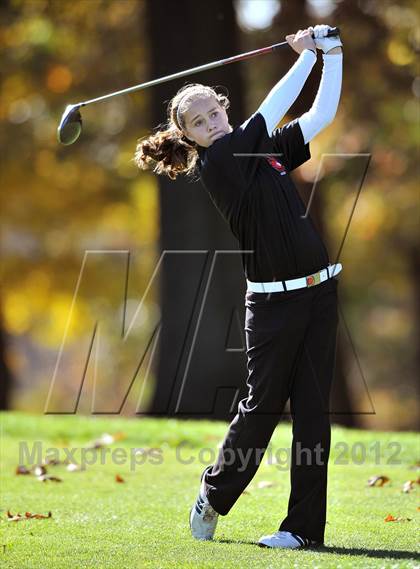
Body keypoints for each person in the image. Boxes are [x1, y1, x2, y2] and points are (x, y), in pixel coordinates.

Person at [135, 24, 343, 549]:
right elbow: (274, 106)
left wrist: (332, 54)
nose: (212, 123)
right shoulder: (220, 163)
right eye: (199, 123)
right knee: (262, 410)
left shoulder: (262, 151)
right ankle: (213, 495)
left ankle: (302, 531)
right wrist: (305, 55)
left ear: (225, 109)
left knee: (315, 414)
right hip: (273, 306)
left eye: (214, 112)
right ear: (191, 138)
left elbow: (319, 117)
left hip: (318, 293)